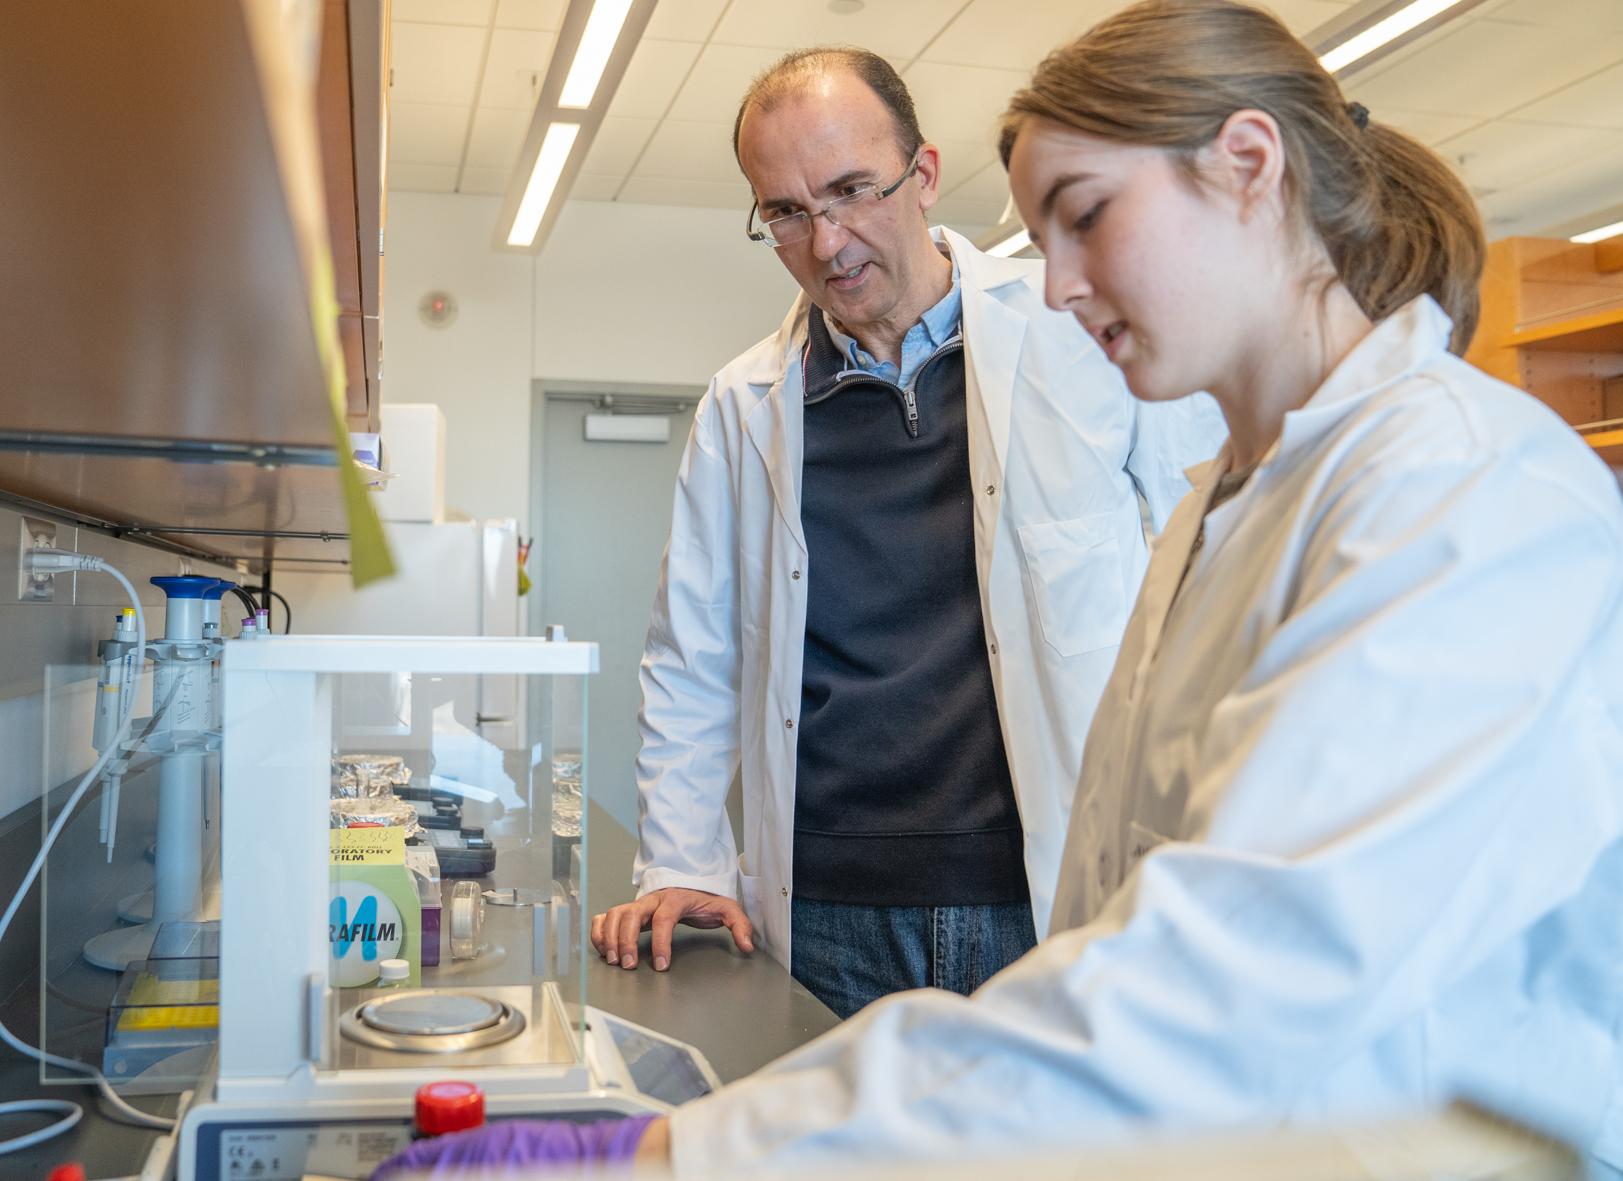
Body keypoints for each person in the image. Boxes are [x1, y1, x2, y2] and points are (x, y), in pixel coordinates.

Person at [375, 0, 1623, 1176]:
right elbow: (699, 657)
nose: (1062, 283)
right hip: (1175, 1079)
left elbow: (1230, 976)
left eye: (1087, 215)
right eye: (786, 212)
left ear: (1249, 167)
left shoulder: (1463, 498)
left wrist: (686, 1152)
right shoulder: (1230, 504)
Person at [589, 46, 1223, 1018]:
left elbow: (1213, 571)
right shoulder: (744, 403)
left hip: (1045, 889)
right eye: (787, 213)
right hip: (830, 911)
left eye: (851, 190)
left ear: (923, 175)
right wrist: (683, 859)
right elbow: (692, 655)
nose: (829, 241)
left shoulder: (1078, 333)